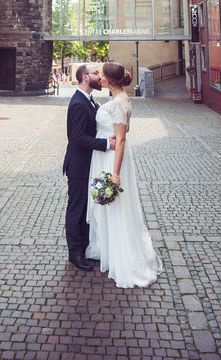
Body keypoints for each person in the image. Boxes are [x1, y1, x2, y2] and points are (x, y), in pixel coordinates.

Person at [86, 61, 163, 288]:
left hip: (113, 159)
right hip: (106, 154)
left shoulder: (119, 103)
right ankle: (108, 248)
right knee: (110, 207)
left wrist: (115, 173)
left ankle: (124, 257)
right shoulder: (118, 100)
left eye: (101, 75)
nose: (98, 78)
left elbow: (121, 138)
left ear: (109, 80)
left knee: (116, 206)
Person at [63, 64, 116, 271]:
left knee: (85, 208)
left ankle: (84, 248)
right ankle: (74, 253)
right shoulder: (77, 103)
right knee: (76, 210)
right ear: (85, 77)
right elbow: (78, 137)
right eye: (96, 73)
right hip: (78, 166)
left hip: (88, 165)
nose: (99, 76)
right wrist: (105, 144)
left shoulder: (89, 100)